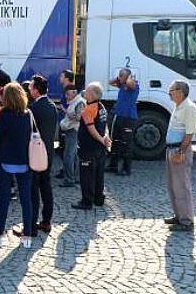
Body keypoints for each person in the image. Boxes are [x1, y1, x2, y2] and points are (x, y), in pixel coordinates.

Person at [0, 82, 34, 249]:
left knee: (4, 199)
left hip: (6, 160)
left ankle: (0, 235)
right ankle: (27, 236)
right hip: (25, 161)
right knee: (26, 200)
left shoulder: (4, 114)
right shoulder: (28, 113)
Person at [15, 75, 57, 237]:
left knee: (33, 190)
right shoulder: (52, 106)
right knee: (46, 187)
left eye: (31, 87)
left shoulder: (33, 109)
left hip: (35, 154)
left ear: (36, 90)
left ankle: (30, 227)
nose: (29, 90)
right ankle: (46, 221)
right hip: (48, 153)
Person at [72, 82, 112, 210]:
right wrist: (106, 138)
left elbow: (92, 130)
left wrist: (102, 140)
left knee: (87, 175)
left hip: (88, 148)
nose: (85, 93)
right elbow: (105, 125)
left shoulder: (87, 110)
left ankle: (86, 201)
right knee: (99, 173)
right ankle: (99, 198)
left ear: (92, 94)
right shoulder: (102, 107)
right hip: (100, 149)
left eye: (87, 91)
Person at [164, 80, 196, 231]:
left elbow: (190, 133)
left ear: (180, 92)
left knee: (182, 186)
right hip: (171, 149)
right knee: (173, 185)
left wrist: (181, 151)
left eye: (171, 90)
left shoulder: (189, 107)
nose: (169, 93)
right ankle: (179, 215)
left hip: (179, 151)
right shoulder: (179, 105)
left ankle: (186, 221)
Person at [106, 68, 139, 176]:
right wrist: (119, 78)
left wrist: (128, 77)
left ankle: (126, 168)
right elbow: (110, 82)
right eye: (119, 75)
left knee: (126, 144)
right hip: (118, 116)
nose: (119, 77)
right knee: (115, 141)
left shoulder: (134, 85)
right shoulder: (122, 84)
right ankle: (113, 165)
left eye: (121, 75)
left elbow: (130, 84)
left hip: (129, 118)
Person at [58, 84, 85, 187]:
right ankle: (75, 177)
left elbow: (79, 118)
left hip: (73, 130)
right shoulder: (75, 101)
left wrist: (66, 111)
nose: (66, 97)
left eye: (68, 94)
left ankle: (69, 179)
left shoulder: (79, 102)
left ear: (74, 93)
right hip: (72, 130)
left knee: (68, 155)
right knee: (73, 155)